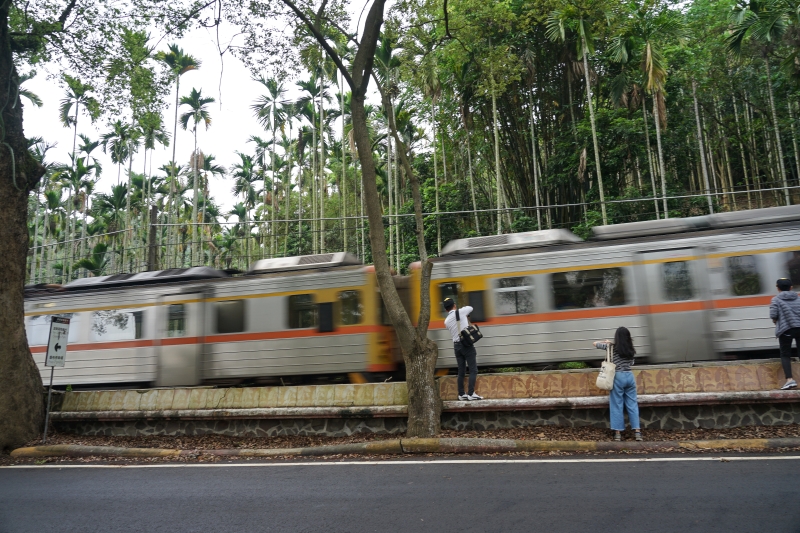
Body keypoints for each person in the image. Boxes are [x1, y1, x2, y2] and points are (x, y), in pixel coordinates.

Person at [593, 327, 642, 442]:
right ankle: (637, 432)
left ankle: (618, 433)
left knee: (616, 404)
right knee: (632, 405)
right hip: (629, 376)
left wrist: (608, 343)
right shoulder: (631, 349)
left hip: (618, 377)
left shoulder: (611, 347)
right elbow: (631, 363)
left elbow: (594, 343)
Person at [444, 297, 483, 401]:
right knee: (473, 370)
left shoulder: (446, 321)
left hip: (456, 347)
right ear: (454, 305)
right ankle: (471, 393)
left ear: (446, 309)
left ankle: (461, 394)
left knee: (461, 371)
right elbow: (471, 308)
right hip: (466, 345)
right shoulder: (461, 312)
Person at [770, 278, 800, 390]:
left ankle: (790, 380)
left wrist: (776, 322)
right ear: (791, 287)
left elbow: (773, 315)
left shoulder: (775, 300)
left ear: (778, 288)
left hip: (786, 329)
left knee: (785, 354)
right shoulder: (798, 298)